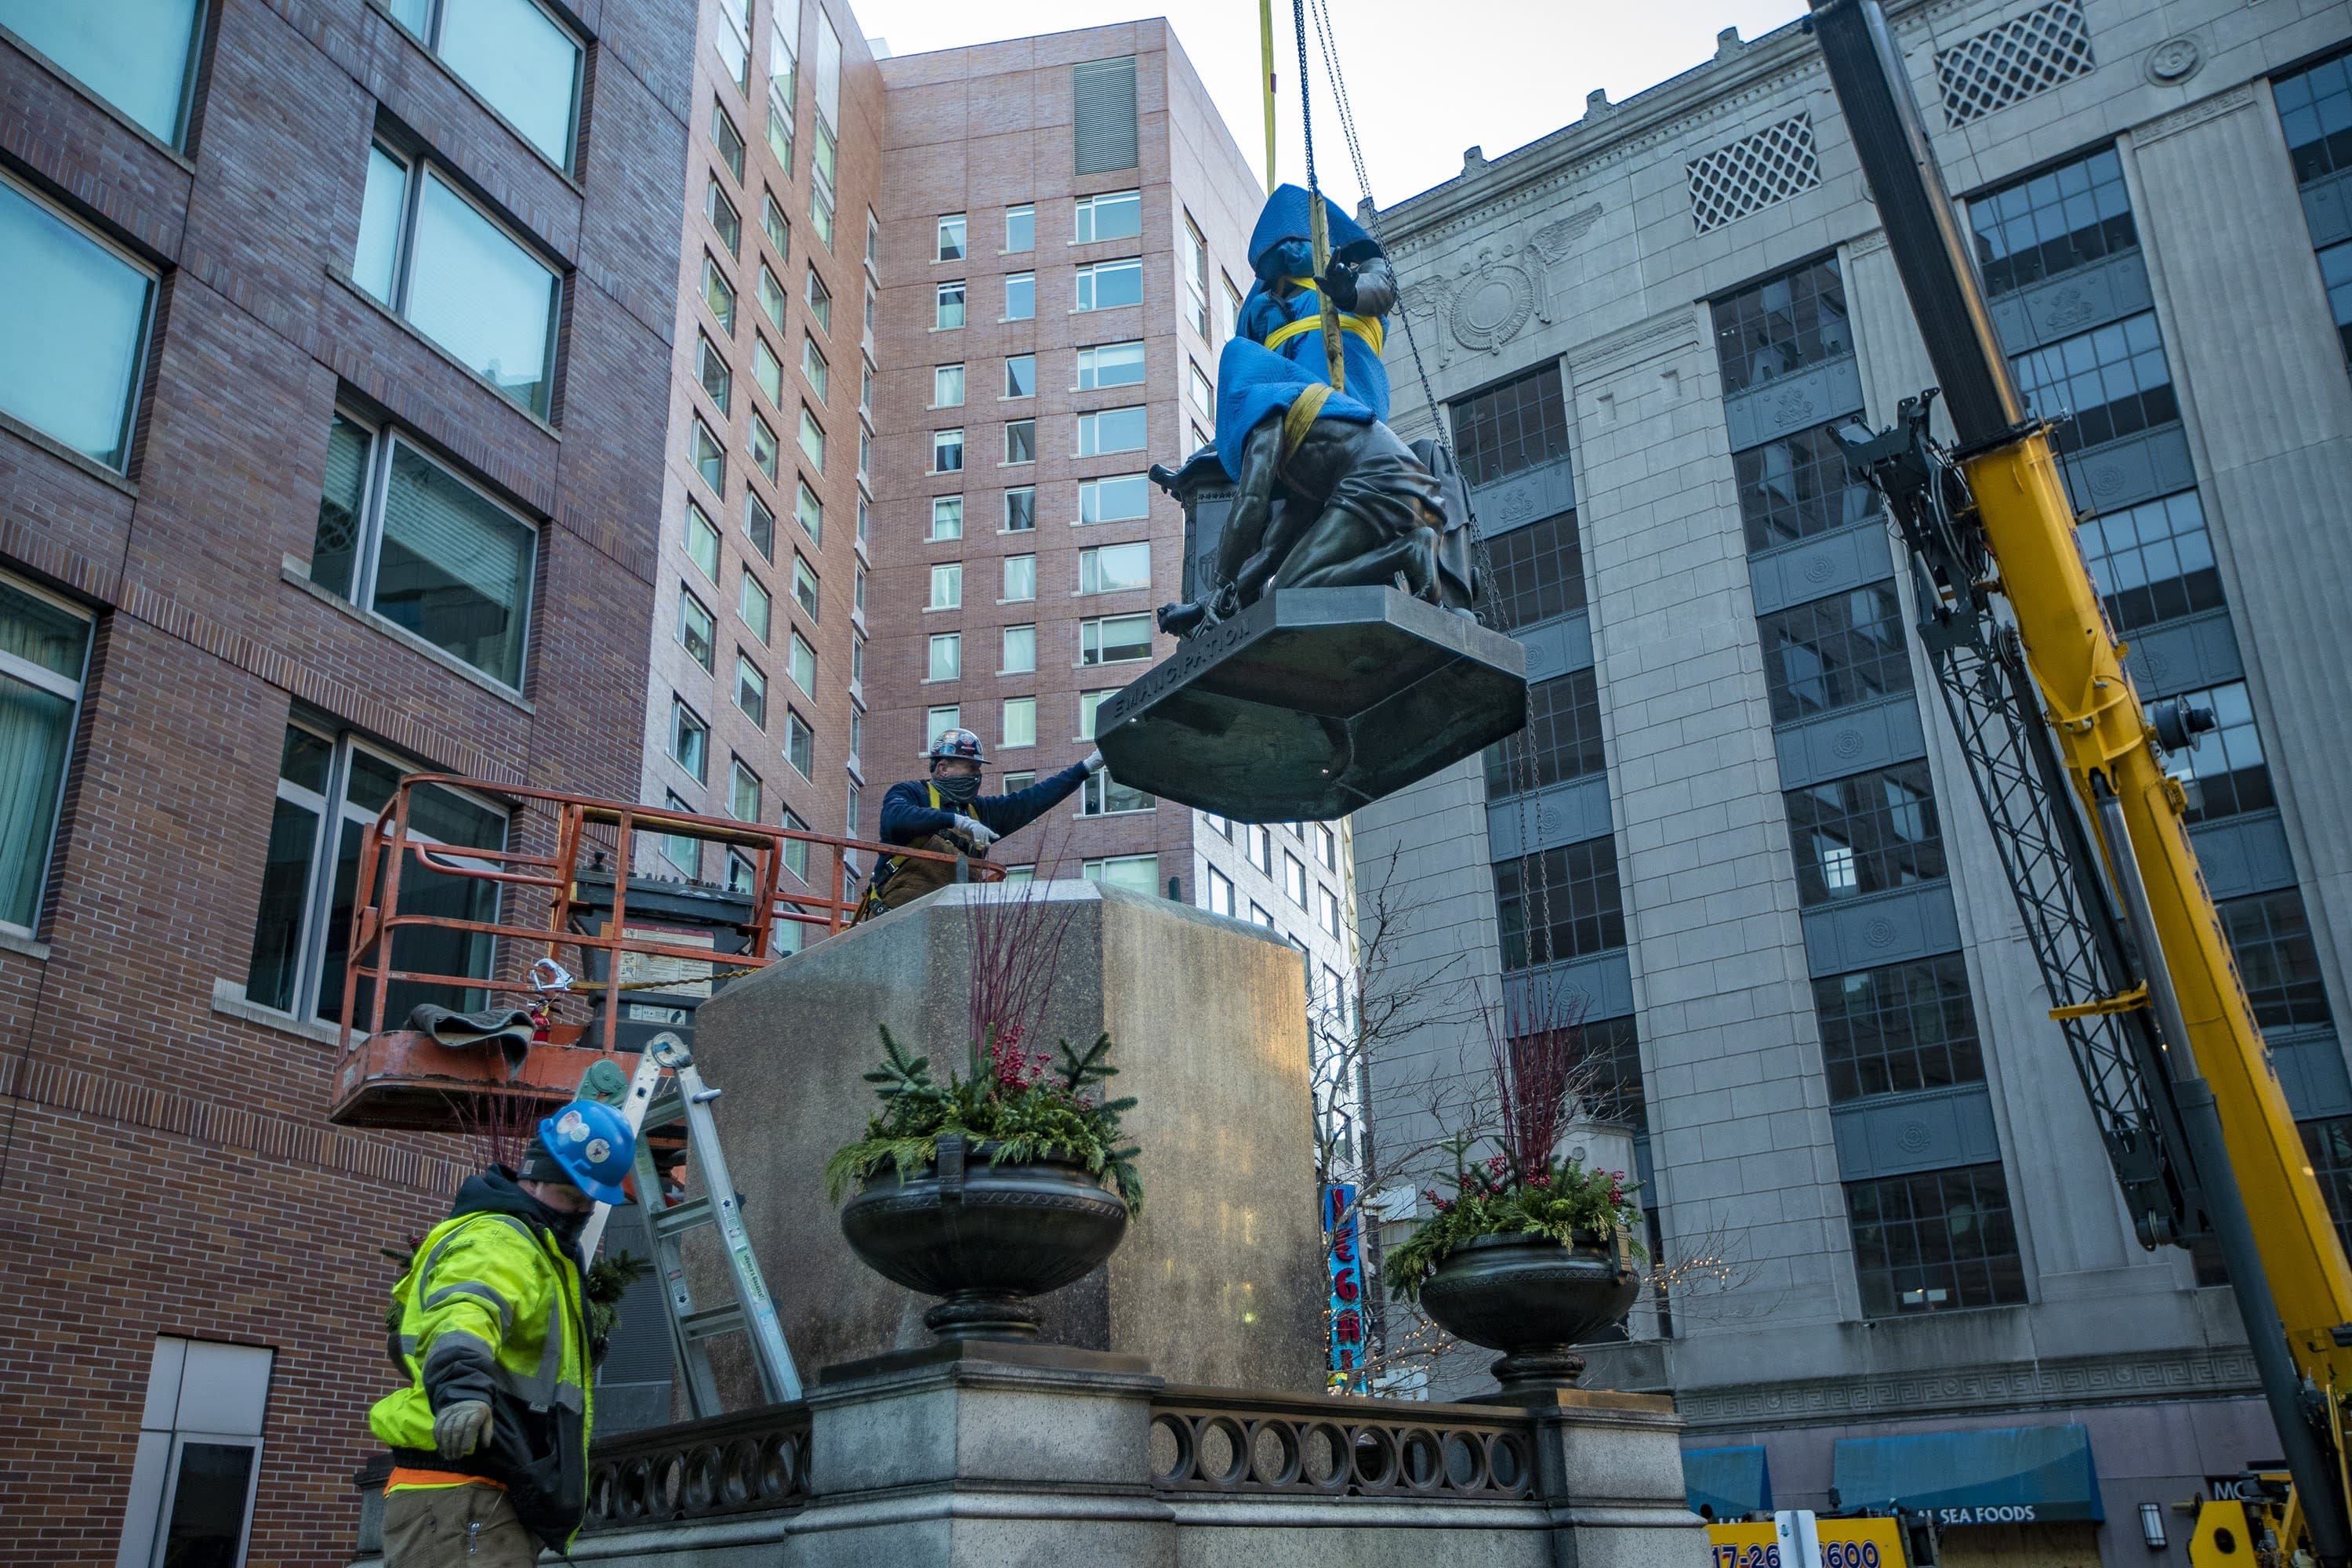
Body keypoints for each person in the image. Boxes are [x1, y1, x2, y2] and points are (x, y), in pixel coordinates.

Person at [370, 1098, 635, 1566]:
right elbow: (465, 1311)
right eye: (573, 1197)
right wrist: (463, 1390)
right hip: (460, 1495)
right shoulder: (502, 1241)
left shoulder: (529, 1244)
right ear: (533, 1177)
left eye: (589, 1201)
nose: (582, 1211)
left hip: (475, 1496)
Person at [860, 729, 1105, 915]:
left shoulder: (979, 811)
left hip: (950, 919)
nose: (977, 775)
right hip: (897, 915)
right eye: (970, 768)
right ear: (943, 769)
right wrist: (954, 821)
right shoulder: (912, 793)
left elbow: (1033, 799)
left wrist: (1086, 767)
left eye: (978, 769)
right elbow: (896, 818)